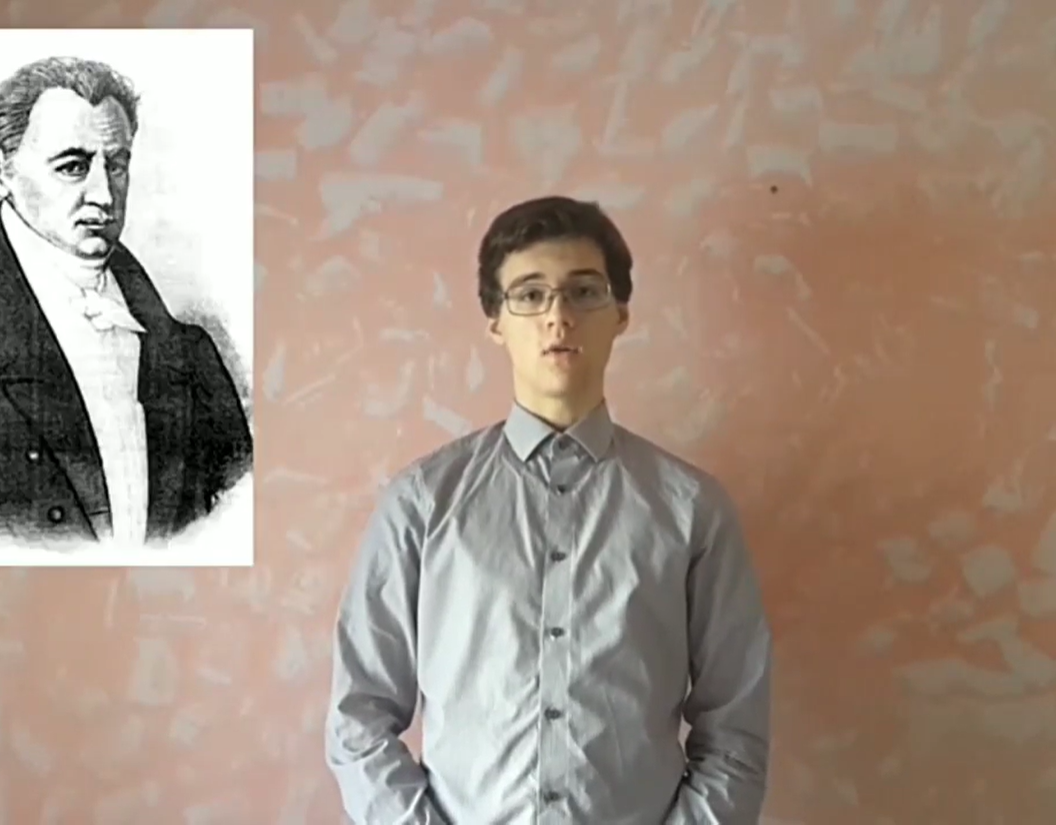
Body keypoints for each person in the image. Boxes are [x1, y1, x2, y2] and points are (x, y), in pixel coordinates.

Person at [325, 195, 771, 823]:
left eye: (584, 292)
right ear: (495, 321)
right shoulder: (422, 503)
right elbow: (359, 719)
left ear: (620, 314)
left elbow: (735, 731)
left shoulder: (692, 510)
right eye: (530, 295)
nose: (558, 315)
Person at [0, 56, 251, 547]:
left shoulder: (190, 358)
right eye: (73, 167)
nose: (104, 194)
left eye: (116, 165)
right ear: (4, 171)